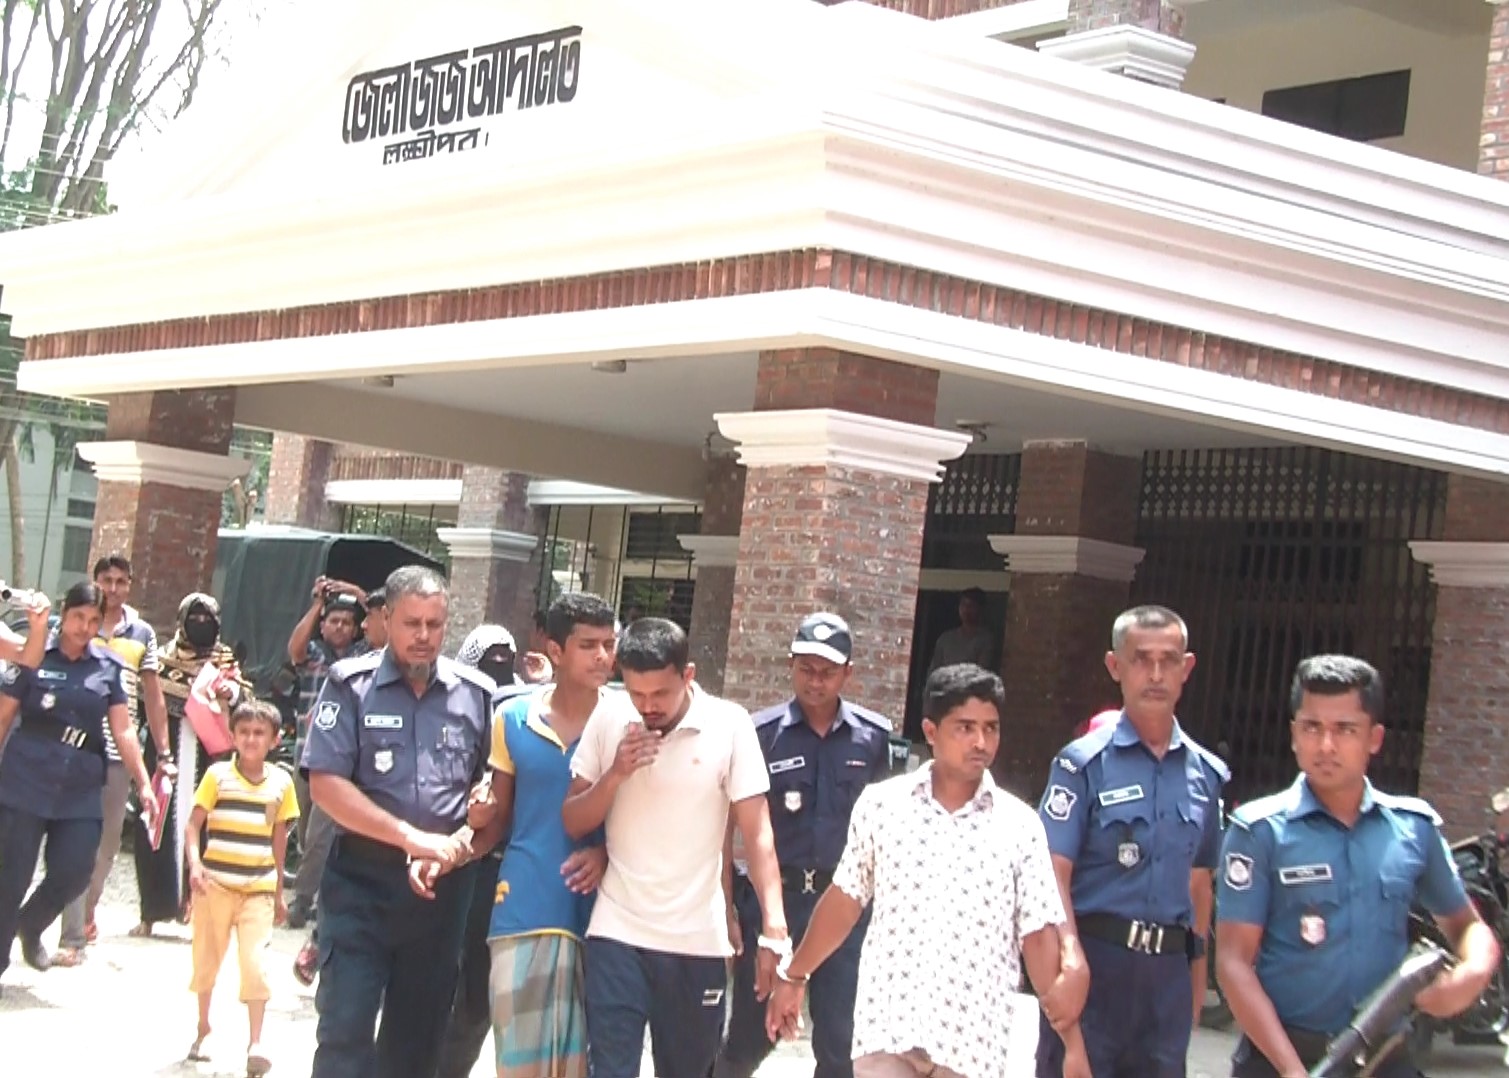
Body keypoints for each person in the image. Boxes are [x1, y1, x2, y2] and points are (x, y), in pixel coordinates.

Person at [766, 663, 1091, 1078]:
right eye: (965, 728)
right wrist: (794, 975)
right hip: (888, 1031)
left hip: (972, 1043)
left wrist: (1071, 1042)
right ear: (931, 731)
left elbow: (1037, 936)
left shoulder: (1020, 826)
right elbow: (845, 901)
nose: (980, 742)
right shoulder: (882, 806)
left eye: (990, 728)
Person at [1216, 655, 1500, 1078]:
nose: (1326, 745)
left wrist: (1472, 974)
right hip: (1282, 1058)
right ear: (1294, 734)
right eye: (1312, 727)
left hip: (1386, 1058)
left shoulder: (1412, 828)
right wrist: (1292, 1071)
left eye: (1345, 729)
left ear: (1374, 738)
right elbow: (1233, 963)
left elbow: (1468, 926)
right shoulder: (1259, 831)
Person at [562, 617, 789, 1078]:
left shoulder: (729, 724)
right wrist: (616, 774)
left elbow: (758, 833)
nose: (647, 706)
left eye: (660, 694)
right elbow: (573, 818)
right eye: (636, 694)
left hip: (697, 942)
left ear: (688, 676)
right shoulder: (610, 716)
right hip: (616, 933)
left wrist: (775, 929)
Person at [302, 565, 494, 1078]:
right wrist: (410, 839)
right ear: (386, 619)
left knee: (417, 1043)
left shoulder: (475, 694)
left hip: (441, 893)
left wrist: (463, 835)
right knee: (345, 1028)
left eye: (435, 624)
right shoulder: (351, 685)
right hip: (361, 883)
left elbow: (492, 789)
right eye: (412, 623)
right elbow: (325, 784)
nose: (424, 636)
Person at [1035, 604, 1228, 1078]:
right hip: (1098, 965)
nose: (1156, 674)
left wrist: (1195, 982)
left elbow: (1199, 884)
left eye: (1168, 660)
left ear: (1187, 668)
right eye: (1141, 659)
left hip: (1167, 980)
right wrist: (1069, 956)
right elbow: (1051, 874)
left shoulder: (1206, 775)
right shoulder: (1081, 765)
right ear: (1115, 665)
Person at [429, 596, 617, 1078]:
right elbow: (497, 820)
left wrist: (606, 853)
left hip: (607, 913)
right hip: (525, 905)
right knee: (520, 1062)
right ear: (555, 650)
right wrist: (456, 847)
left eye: (609, 644)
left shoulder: (627, 722)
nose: (603, 656)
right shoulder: (512, 718)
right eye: (588, 645)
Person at [718, 612, 891, 1078]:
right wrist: (728, 908)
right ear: (790, 665)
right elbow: (729, 827)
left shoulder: (873, 737)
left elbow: (887, 829)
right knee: (750, 1034)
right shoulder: (761, 734)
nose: (816, 681)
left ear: (848, 674)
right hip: (776, 903)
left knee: (840, 1041)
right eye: (806, 669)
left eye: (827, 672)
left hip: (845, 905)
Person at [0, 583, 158, 993]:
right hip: (26, 777)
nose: (84, 627)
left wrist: (144, 783)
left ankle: (30, 924)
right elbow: (5, 714)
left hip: (80, 784)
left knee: (75, 870)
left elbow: (123, 729)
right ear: (63, 614)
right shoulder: (35, 651)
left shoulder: (107, 666)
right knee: (11, 875)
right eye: (77, 617)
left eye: (93, 620)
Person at [56, 554, 173, 963]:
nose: (113, 588)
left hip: (117, 753)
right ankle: (71, 932)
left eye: (121, 581)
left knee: (105, 845)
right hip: (70, 750)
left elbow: (153, 697)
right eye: (107, 580)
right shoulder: (75, 626)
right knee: (73, 840)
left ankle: (87, 911)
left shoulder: (141, 633)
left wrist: (163, 752)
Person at [184, 699, 299, 1076]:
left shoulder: (282, 783)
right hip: (215, 886)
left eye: (259, 733)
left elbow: (279, 838)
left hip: (258, 888)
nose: (251, 739)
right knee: (207, 960)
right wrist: (195, 865)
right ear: (232, 736)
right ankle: (204, 1028)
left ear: (274, 739)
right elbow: (193, 826)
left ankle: (256, 1042)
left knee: (256, 965)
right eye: (244, 732)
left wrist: (278, 892)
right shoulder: (217, 777)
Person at [133, 593, 248, 937]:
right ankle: (151, 912)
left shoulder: (224, 662)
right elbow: (145, 701)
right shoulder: (162, 658)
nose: (201, 624)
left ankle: (197, 912)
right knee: (154, 829)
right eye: (194, 618)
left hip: (209, 759)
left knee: (209, 830)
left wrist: (230, 693)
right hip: (164, 755)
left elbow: (244, 703)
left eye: (207, 619)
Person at [287, 581, 372, 931]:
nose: (340, 627)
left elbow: (382, 618)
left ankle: (302, 900)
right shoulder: (314, 656)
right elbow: (294, 648)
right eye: (333, 621)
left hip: (336, 761)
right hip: (303, 752)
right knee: (304, 828)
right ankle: (313, 891)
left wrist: (355, 591)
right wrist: (316, 605)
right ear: (323, 626)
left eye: (346, 622)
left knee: (319, 834)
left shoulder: (362, 658)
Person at [926, 587, 996, 674]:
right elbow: (933, 671)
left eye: (971, 605)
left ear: (980, 608)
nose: (966, 609)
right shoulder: (945, 638)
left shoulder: (986, 640)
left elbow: (981, 672)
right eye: (963, 604)